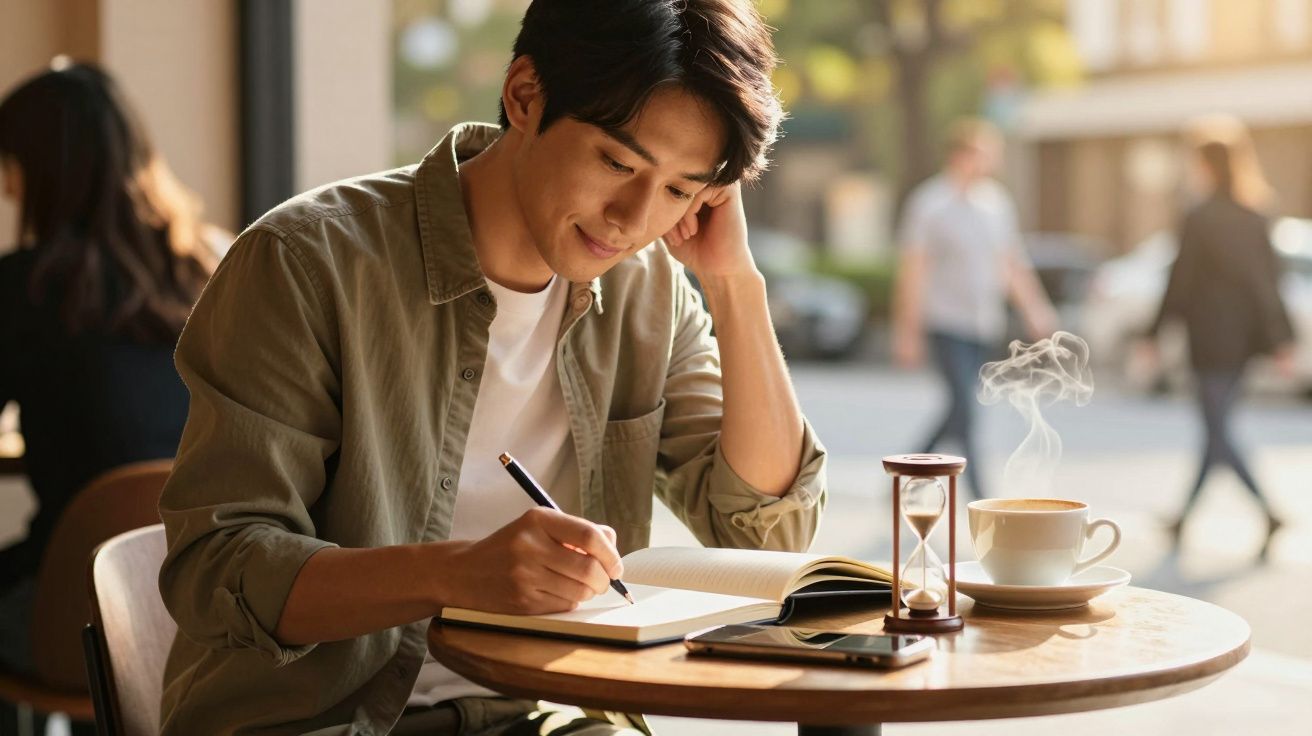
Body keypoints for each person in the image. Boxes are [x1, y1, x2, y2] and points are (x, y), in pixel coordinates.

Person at [155, 1, 828, 734]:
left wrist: (735, 285)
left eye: (677, 190)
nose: (632, 219)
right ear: (524, 96)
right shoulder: (306, 263)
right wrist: (452, 575)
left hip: (535, 715)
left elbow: (768, 537)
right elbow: (218, 568)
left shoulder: (649, 290)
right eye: (617, 162)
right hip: (316, 721)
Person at [0, 60, 220, 723]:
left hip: (74, 619)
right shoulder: (208, 271)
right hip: (208, 616)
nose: (8, 191)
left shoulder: (26, 288)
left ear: (38, 170)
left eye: (10, 166)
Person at [1146, 116, 1295, 559]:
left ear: (1206, 166)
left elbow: (1180, 281)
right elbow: (1268, 284)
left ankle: (1268, 511)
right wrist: (1279, 340)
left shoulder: (1200, 217)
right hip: (1243, 343)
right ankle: (1184, 518)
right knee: (1215, 428)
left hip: (1209, 342)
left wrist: (1154, 333)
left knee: (1217, 429)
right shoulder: (1255, 215)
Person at [891, 118, 1057, 499]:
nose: (988, 164)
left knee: (957, 409)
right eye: (982, 155)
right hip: (945, 322)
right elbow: (913, 270)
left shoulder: (996, 204)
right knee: (966, 412)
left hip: (984, 324)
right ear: (959, 156)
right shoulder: (929, 204)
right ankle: (982, 498)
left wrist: (1036, 310)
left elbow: (1012, 263)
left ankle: (906, 475)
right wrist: (907, 331)